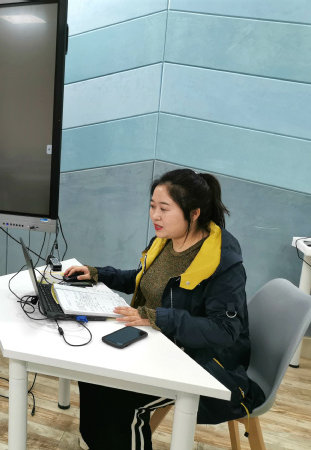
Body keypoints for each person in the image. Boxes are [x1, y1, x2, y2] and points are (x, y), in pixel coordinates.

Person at [64, 168, 265, 450]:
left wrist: (159, 317)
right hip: (155, 343)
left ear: (193, 213)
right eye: (152, 206)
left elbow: (224, 330)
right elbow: (144, 280)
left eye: (164, 208)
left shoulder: (223, 262)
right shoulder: (165, 241)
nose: (155, 216)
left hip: (203, 362)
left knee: (118, 397)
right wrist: (99, 273)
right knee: (94, 374)